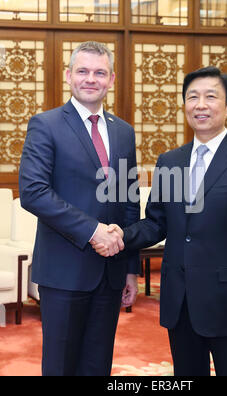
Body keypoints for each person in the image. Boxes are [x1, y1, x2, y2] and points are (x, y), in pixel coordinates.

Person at [93, 66, 227, 376]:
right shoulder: (171, 161)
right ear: (184, 106)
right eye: (192, 97)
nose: (200, 105)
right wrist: (120, 235)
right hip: (181, 304)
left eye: (211, 97)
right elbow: (156, 222)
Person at [19, 41, 140, 376]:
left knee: (97, 365)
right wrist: (92, 230)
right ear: (69, 76)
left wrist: (130, 267)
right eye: (83, 71)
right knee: (61, 366)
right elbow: (33, 192)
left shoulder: (124, 132)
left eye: (99, 72)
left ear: (111, 79)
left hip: (111, 272)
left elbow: (129, 201)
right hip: (63, 270)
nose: (91, 79)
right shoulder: (46, 124)